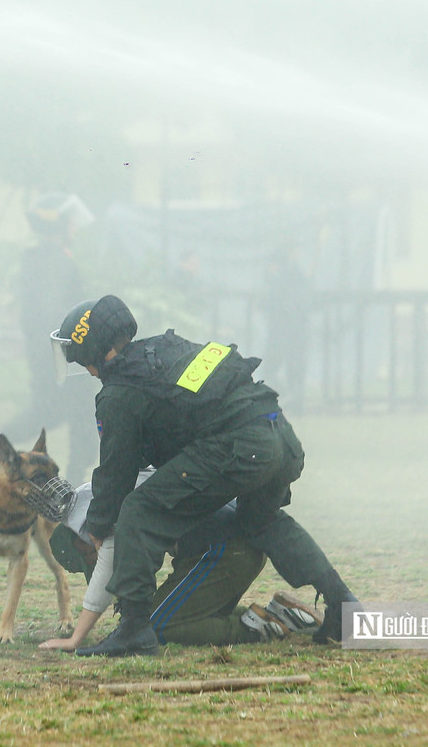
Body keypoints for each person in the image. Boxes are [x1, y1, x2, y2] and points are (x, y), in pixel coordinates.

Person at [49, 295, 357, 657]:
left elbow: (117, 474)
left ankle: (133, 628)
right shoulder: (165, 348)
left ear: (96, 354)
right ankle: (343, 606)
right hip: (279, 438)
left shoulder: (120, 392)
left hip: (240, 447)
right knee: (262, 521)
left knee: (137, 509)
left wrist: (98, 526)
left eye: (84, 360)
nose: (87, 370)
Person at [40, 475, 321, 651]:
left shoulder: (102, 520)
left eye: (87, 553)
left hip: (224, 549)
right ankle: (278, 613)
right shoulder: (107, 488)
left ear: (80, 534)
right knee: (167, 616)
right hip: (223, 548)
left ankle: (264, 627)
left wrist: (75, 639)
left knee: (159, 626)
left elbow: (108, 568)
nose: (93, 558)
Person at [4, 193, 98, 484]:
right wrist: (73, 344)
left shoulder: (43, 257)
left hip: (53, 354)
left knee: (67, 415)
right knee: (67, 415)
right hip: (61, 356)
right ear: (58, 226)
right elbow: (52, 312)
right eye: (69, 223)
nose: (74, 228)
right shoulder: (53, 261)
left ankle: (74, 478)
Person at [261, 245, 313, 412]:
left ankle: (293, 399)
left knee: (283, 367)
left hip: (286, 330)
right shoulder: (294, 276)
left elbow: (281, 302)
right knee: (288, 367)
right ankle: (292, 399)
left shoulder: (289, 277)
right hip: (289, 329)